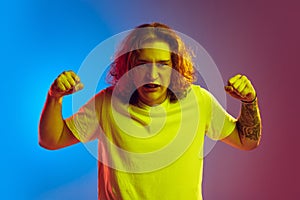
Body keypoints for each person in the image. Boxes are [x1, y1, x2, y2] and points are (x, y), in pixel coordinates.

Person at [39, 22, 261, 200]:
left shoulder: (199, 100)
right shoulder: (106, 103)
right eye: (142, 64)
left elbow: (246, 141)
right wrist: (54, 97)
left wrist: (250, 101)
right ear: (129, 67)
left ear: (175, 67)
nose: (152, 74)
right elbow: (52, 140)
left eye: (163, 64)